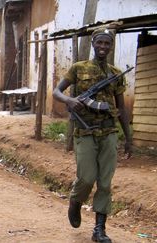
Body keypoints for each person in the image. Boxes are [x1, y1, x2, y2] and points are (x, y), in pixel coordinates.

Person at [53, 28, 132, 243]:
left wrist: (129, 139)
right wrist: (69, 101)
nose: (103, 47)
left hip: (109, 132)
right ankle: (76, 201)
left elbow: (121, 108)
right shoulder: (79, 68)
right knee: (86, 178)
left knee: (105, 183)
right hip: (85, 131)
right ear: (94, 44)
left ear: (111, 46)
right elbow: (56, 91)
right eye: (100, 43)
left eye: (107, 43)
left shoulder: (115, 73)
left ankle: (99, 229)